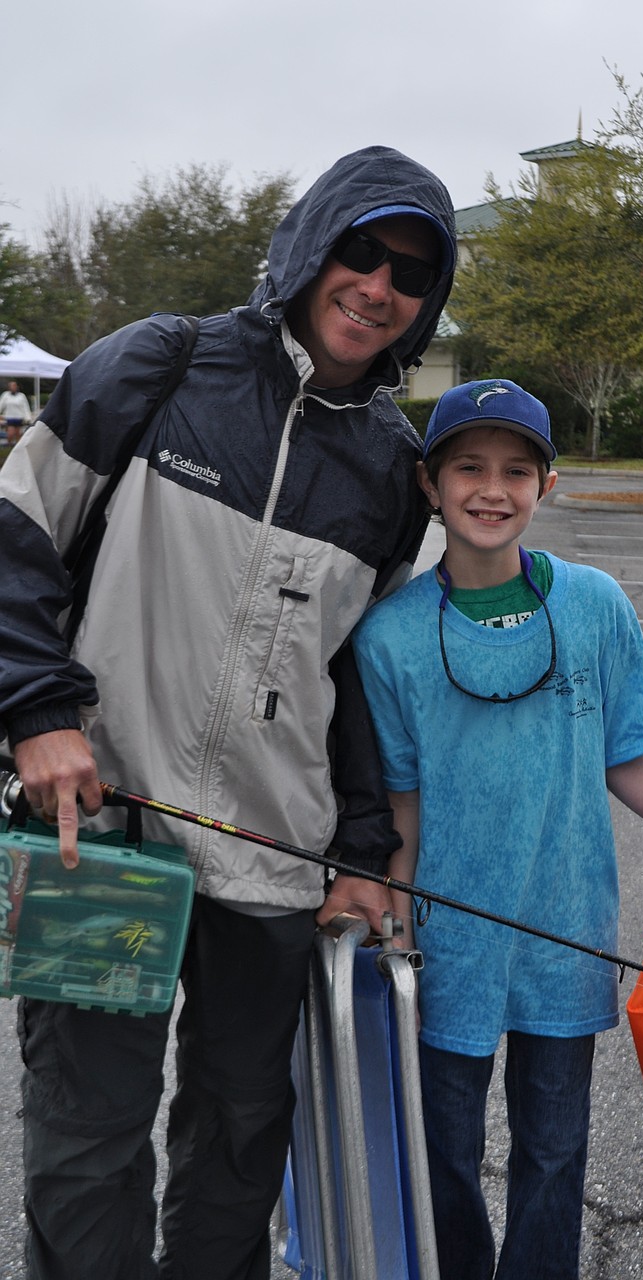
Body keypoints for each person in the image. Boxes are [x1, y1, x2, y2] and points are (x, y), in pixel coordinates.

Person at [0, 145, 456, 1280]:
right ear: (313, 244)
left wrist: (360, 851)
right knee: (88, 1135)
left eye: (411, 272)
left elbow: (363, 692)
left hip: (274, 863)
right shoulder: (157, 365)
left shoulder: (395, 477)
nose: (378, 285)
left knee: (243, 1133)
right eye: (362, 249)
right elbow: (14, 543)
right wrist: (37, 713)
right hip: (102, 834)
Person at [351, 378, 643, 1280]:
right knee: (441, 1151)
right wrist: (395, 919)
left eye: (518, 470)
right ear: (428, 482)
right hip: (449, 949)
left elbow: (625, 758)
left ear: (547, 486)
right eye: (468, 467)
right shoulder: (389, 636)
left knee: (555, 1153)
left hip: (565, 931)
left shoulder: (595, 606)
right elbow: (401, 801)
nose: (492, 488)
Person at [0, 379, 32, 445]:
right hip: (10, 417)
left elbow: (25, 407)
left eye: (14, 386)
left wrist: (28, 418)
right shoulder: (5, 395)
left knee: (18, 434)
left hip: (19, 417)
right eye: (11, 386)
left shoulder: (21, 396)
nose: (13, 387)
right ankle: (9, 445)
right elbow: (1, 405)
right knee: (10, 434)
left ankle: (17, 448)